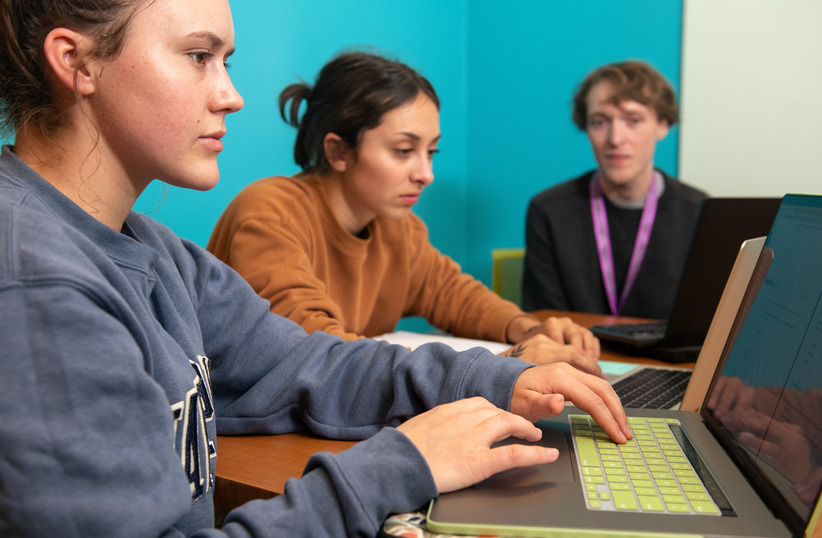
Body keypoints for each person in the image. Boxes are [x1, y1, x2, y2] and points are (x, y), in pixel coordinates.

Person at [0, 1, 633, 536]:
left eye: (227, 62)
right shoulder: (37, 284)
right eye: (199, 56)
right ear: (76, 61)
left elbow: (302, 362)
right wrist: (402, 463)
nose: (232, 95)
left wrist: (500, 379)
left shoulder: (157, 250)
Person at [207, 51, 603, 374]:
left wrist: (531, 329)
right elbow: (317, 350)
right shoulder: (270, 214)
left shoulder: (399, 227)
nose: (426, 174)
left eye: (431, 152)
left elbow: (454, 295)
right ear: (338, 151)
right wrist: (503, 364)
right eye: (403, 151)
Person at [523, 60, 707, 319]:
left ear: (663, 124)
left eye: (633, 120)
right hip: (578, 358)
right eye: (600, 122)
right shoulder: (549, 211)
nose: (615, 138)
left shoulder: (701, 213)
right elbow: (547, 323)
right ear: (585, 128)